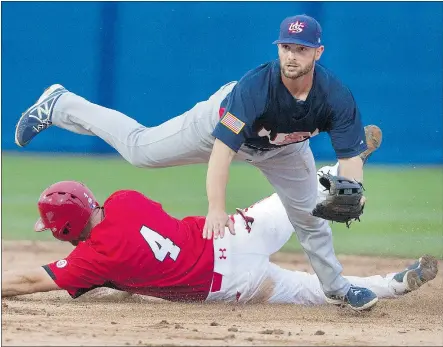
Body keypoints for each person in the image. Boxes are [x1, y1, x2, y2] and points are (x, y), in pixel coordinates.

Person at [15, 14, 381, 309]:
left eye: (300, 49)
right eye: (286, 46)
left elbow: (350, 157)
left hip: (283, 150)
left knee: (310, 216)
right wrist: (216, 207)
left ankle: (337, 289)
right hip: (216, 129)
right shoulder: (256, 88)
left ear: (318, 52)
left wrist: (354, 189)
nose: (291, 55)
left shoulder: (335, 97)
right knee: (142, 150)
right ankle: (61, 104)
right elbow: (222, 152)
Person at [1, 179, 438, 309]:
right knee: (299, 192)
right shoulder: (124, 200)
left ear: (62, 228)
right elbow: (142, 244)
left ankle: (392, 284)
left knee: (317, 292)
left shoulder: (89, 261)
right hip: (231, 233)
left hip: (228, 283)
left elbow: (25, 281)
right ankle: (346, 171)